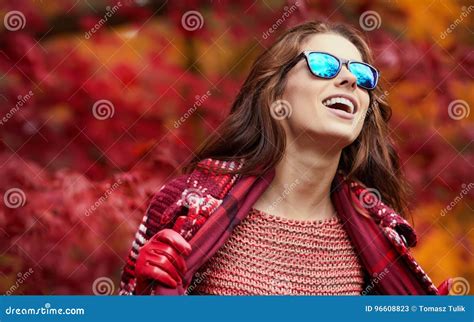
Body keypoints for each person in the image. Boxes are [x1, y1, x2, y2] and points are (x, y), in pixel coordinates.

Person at [119, 21, 451, 296]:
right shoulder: (185, 206)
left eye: (363, 76)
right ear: (276, 94)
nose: (350, 79)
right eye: (324, 65)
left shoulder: (381, 236)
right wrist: (145, 297)